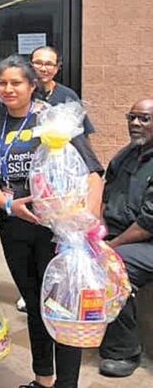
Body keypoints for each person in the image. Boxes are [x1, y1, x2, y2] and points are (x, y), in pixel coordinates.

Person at [0, 55, 103, 388]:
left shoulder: (55, 121)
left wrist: (86, 217)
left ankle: (67, 384)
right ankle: (43, 379)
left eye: (16, 82)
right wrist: (7, 203)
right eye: (3, 83)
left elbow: (94, 173)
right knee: (35, 305)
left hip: (58, 231)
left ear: (32, 85)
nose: (9, 89)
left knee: (63, 308)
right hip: (15, 228)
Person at [98, 99, 153, 379]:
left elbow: (146, 224)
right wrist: (95, 232)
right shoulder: (126, 154)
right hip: (122, 234)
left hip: (146, 241)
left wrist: (109, 247)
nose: (135, 124)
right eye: (131, 117)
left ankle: (123, 351)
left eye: (144, 119)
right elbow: (106, 197)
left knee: (114, 266)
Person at [30, 45, 95, 136]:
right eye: (38, 63)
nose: (43, 69)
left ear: (57, 68)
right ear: (30, 65)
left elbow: (83, 135)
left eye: (49, 64)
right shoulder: (20, 94)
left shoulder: (67, 96)